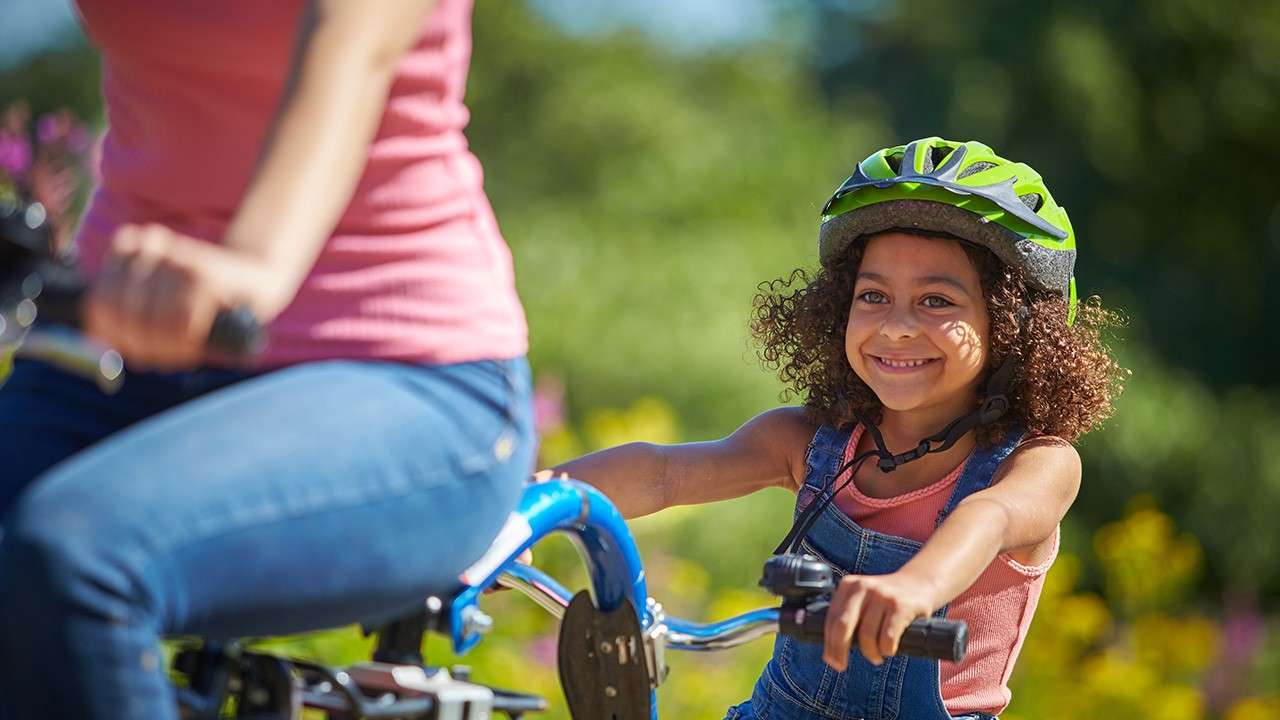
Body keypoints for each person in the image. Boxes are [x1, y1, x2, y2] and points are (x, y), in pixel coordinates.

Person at [0, 1, 534, 718]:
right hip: (117, 351)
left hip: (405, 374)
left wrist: (248, 267)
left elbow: (352, 47)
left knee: (78, 556)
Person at [548, 138, 1126, 719]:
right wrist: (516, 511)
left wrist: (915, 588)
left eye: (936, 300)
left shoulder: (1037, 464)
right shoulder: (809, 442)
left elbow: (990, 517)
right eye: (873, 295)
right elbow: (662, 474)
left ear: (1011, 326)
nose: (897, 327)